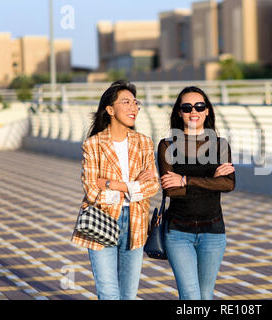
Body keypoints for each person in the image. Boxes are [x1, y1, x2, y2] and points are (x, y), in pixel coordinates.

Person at [71, 80, 159, 300]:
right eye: (126, 102)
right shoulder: (93, 144)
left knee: (128, 295)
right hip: (102, 219)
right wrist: (134, 186)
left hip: (136, 223)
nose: (133, 108)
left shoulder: (144, 143)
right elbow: (92, 191)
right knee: (108, 292)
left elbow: (153, 186)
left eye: (136, 103)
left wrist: (114, 185)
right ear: (110, 109)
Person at [157, 86, 236, 300]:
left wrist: (185, 180)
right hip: (178, 232)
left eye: (200, 106)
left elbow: (228, 184)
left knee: (205, 295)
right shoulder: (167, 146)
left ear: (207, 111)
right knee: (191, 296)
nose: (194, 111)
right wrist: (211, 181)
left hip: (213, 231)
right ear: (179, 112)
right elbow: (172, 190)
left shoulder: (220, 145)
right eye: (187, 107)